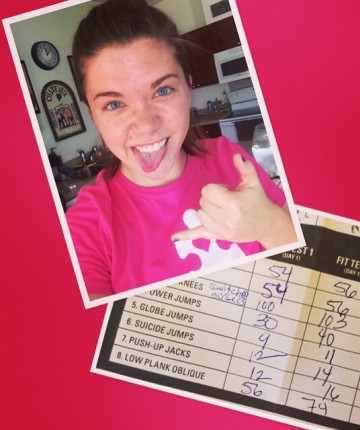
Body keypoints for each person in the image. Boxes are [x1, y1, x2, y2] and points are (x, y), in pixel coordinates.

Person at [66, 0, 297, 301]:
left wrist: (270, 226)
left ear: (188, 89)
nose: (146, 126)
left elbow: (315, 264)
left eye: (162, 91)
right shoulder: (86, 226)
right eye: (114, 104)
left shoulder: (229, 158)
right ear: (93, 114)